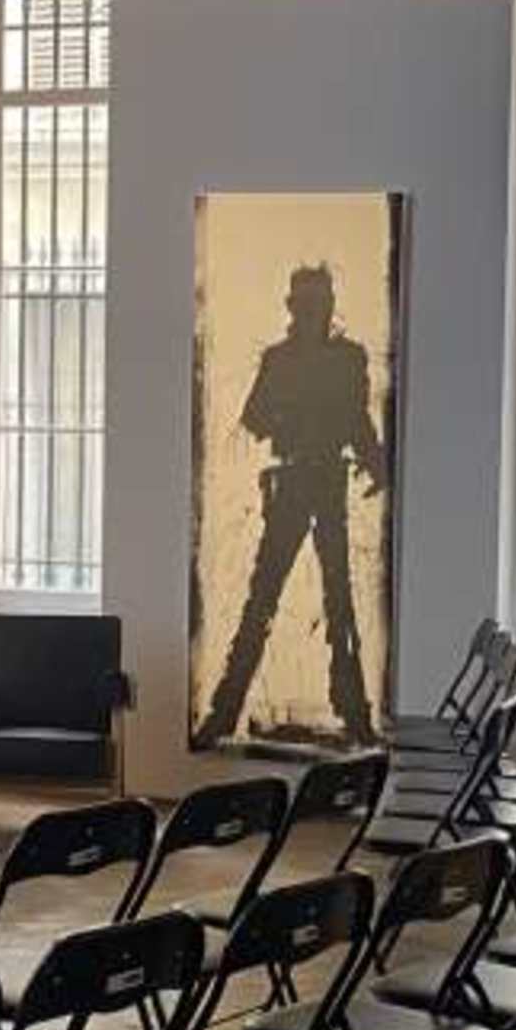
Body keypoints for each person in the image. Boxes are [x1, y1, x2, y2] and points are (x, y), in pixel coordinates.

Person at [195, 262, 386, 745]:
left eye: (316, 304)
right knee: (266, 598)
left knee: (335, 602)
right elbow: (255, 418)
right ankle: (226, 708)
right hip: (299, 479)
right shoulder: (286, 360)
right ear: (292, 307)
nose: (309, 313)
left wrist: (376, 464)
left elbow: (358, 423)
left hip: (323, 480)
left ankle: (352, 710)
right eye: (303, 304)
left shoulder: (343, 359)